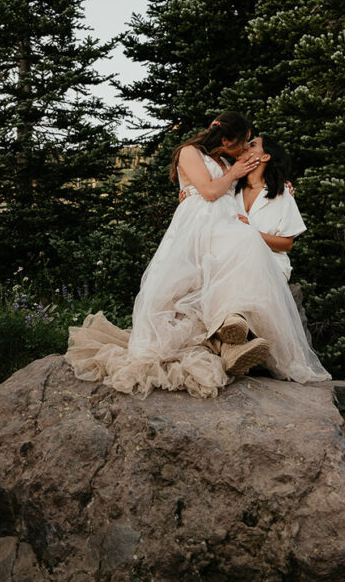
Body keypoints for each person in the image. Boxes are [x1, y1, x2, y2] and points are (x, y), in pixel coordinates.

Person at [64, 111, 330, 399]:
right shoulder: (190, 152)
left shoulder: (229, 161)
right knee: (204, 269)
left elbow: (253, 181)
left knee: (235, 252)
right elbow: (209, 190)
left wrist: (281, 181)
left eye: (250, 144)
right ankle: (225, 337)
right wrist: (230, 175)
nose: (245, 148)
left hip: (225, 222)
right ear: (227, 139)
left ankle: (230, 339)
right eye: (243, 142)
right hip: (199, 225)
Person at [234, 134, 306, 284]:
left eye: (252, 144)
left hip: (270, 264)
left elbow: (286, 244)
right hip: (231, 259)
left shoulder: (282, 194)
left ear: (265, 157)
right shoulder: (229, 189)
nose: (245, 146)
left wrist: (250, 232)